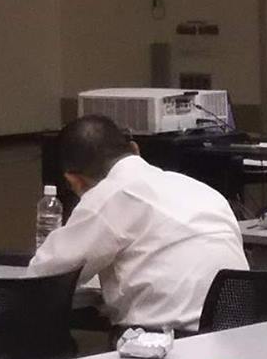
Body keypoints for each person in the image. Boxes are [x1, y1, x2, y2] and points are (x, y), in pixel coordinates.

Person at [28, 114, 245, 332]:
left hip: (164, 341)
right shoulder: (203, 191)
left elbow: (43, 278)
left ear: (74, 180)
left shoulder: (109, 195)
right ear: (135, 149)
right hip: (236, 336)